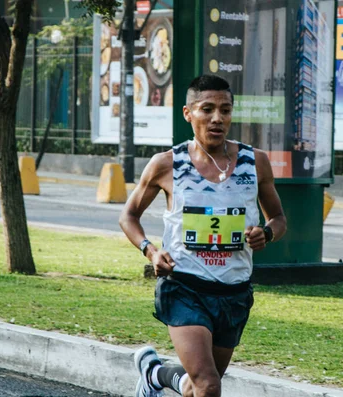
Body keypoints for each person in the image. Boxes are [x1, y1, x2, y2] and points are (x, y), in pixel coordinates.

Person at [119, 74, 287, 397]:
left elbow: (278, 218)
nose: (217, 119)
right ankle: (157, 375)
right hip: (185, 288)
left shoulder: (256, 163)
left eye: (225, 110)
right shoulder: (167, 165)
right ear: (187, 113)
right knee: (209, 385)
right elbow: (128, 216)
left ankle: (155, 374)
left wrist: (266, 234)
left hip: (234, 294)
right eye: (207, 109)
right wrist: (151, 251)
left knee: (199, 387)